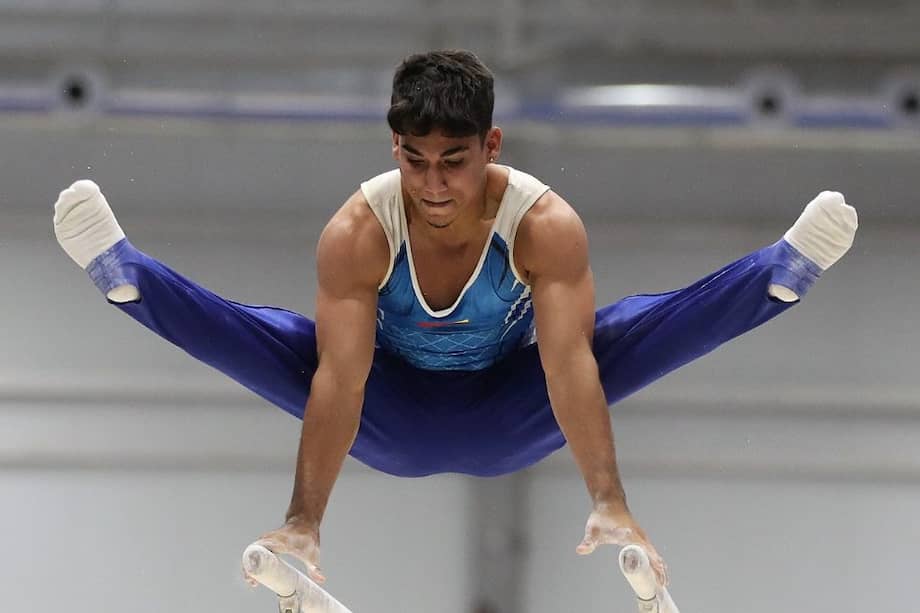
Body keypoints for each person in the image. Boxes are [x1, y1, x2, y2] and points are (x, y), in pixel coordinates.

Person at [53, 49, 857, 593]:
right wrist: (304, 523)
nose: (432, 185)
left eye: (454, 161)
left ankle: (774, 276)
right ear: (393, 147)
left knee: (614, 337)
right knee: (290, 343)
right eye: (414, 159)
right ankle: (130, 278)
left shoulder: (543, 225)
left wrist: (608, 496)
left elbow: (567, 366)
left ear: (491, 144)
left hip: (511, 411)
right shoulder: (359, 232)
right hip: (387, 415)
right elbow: (342, 382)